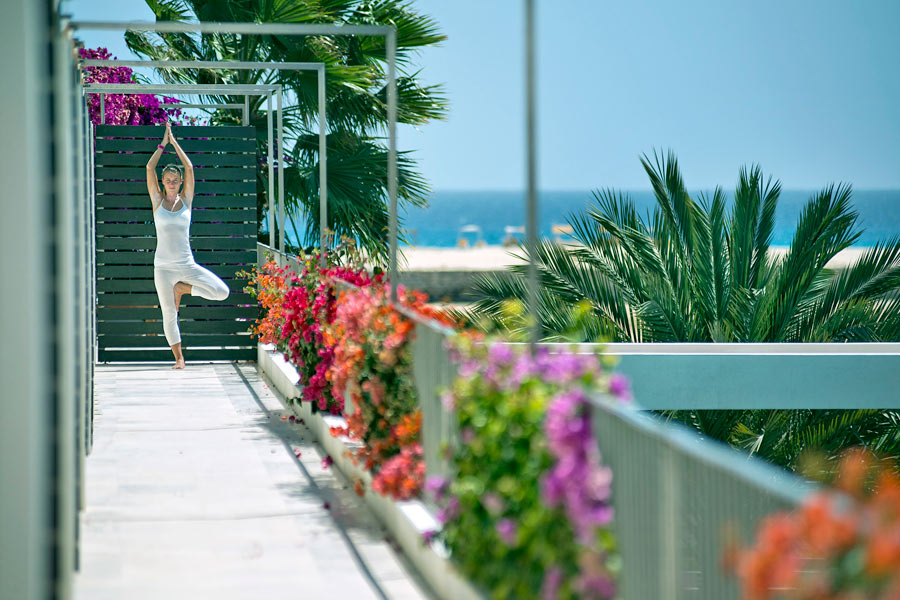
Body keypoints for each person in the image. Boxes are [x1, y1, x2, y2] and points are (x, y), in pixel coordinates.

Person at [146, 122, 230, 370]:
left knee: (221, 292)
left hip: (186, 265)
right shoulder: (157, 202)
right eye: (168, 179)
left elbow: (190, 167)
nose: (172, 183)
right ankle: (179, 359)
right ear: (163, 181)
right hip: (162, 267)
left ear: (181, 182)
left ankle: (184, 289)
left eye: (175, 180)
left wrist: (175, 144)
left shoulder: (187, 201)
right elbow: (150, 166)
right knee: (168, 314)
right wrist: (163, 143)